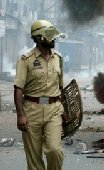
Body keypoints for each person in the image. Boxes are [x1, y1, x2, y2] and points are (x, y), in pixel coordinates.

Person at [14, 20, 67, 170]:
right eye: (49, 36)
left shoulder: (58, 58)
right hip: (32, 110)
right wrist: (20, 115)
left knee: (54, 150)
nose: (53, 39)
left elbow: (60, 86)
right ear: (38, 38)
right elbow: (18, 89)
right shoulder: (26, 60)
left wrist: (64, 109)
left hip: (54, 110)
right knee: (34, 157)